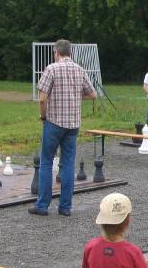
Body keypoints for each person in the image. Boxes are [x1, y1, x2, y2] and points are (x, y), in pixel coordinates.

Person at [28, 39, 97, 216]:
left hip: (53, 122)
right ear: (70, 52)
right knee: (67, 165)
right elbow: (93, 94)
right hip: (72, 125)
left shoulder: (51, 69)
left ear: (56, 52)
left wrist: (43, 116)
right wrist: (75, 96)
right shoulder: (80, 70)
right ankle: (65, 207)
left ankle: (42, 206)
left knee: (46, 162)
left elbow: (42, 98)